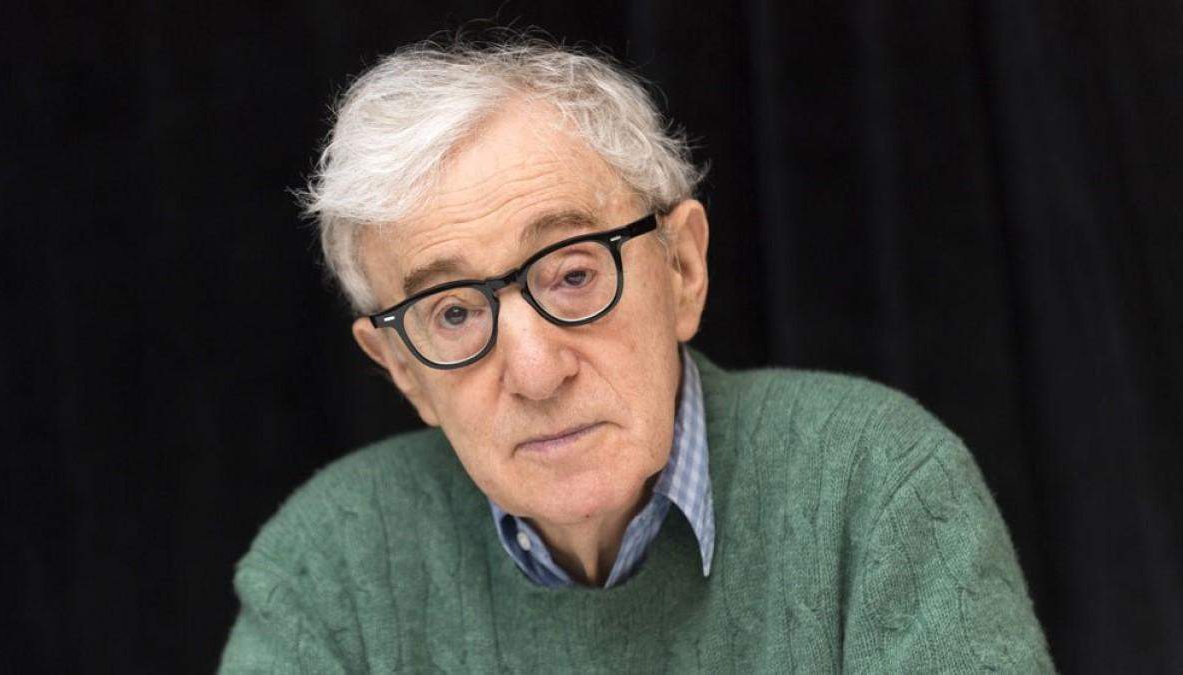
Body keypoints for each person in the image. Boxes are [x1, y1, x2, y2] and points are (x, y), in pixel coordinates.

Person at [220, 35, 1054, 672]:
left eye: (574, 273)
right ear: (403, 369)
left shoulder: (877, 486)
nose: (536, 372)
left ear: (682, 268)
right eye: (454, 312)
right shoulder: (325, 567)